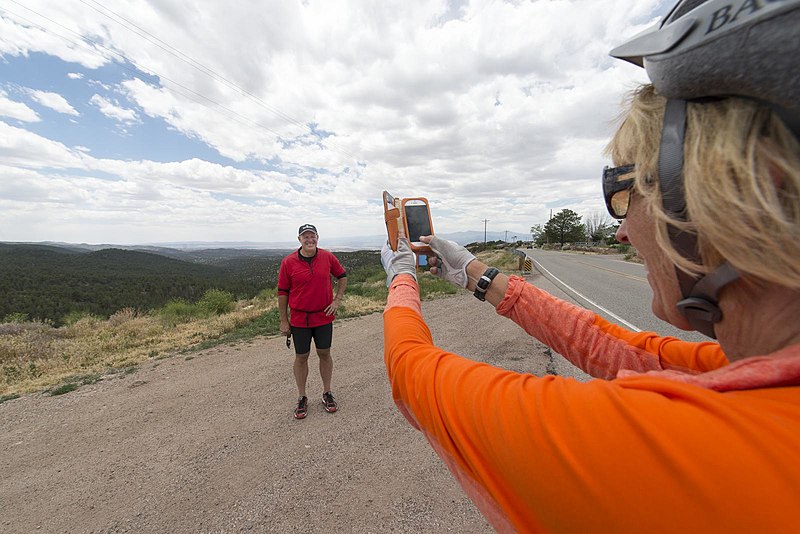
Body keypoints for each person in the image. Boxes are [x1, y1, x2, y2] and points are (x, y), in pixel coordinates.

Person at [381, 0, 800, 531]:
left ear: (747, 190)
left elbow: (418, 379)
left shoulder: (679, 448)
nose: (622, 230)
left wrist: (400, 276)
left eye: (625, 192)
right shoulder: (761, 380)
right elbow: (612, 348)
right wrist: (474, 274)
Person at [278, 224, 347, 419]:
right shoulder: (288, 262)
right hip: (300, 319)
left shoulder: (327, 257)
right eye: (305, 236)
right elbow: (282, 292)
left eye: (312, 236)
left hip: (323, 316)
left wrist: (337, 300)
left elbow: (342, 277)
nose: (309, 240)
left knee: (324, 353)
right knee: (302, 357)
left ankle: (327, 392)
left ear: (317, 237)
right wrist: (284, 321)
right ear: (299, 239)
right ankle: (302, 397)